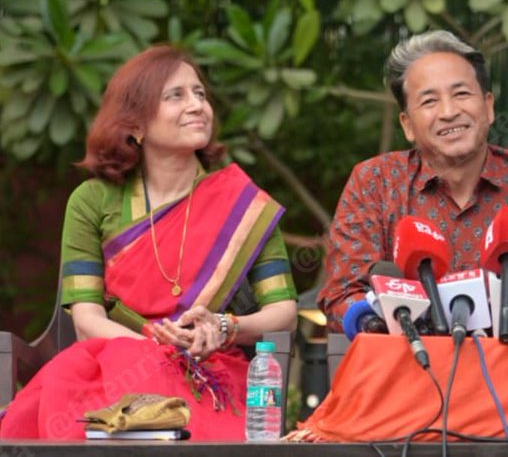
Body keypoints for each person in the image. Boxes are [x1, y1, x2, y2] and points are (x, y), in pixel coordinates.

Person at [0, 45, 298, 440]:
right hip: (112, 364)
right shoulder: (93, 200)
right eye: (175, 95)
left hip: (206, 371)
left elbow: (285, 311)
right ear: (136, 126)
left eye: (200, 94)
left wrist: (225, 327)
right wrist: (154, 348)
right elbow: (88, 322)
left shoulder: (241, 205)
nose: (196, 105)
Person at [318, 30, 508, 329]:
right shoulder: (375, 183)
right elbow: (342, 295)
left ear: (489, 106)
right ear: (407, 125)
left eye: (461, 94)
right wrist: (388, 321)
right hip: (412, 366)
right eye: (429, 101)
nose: (449, 112)